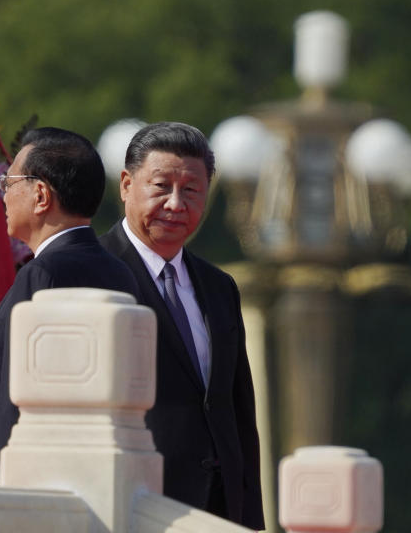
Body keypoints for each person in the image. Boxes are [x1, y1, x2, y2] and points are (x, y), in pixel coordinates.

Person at [99, 122, 264, 529]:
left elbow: (236, 409)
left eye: (191, 190)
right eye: (161, 186)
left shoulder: (219, 286)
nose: (176, 203)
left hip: (217, 510)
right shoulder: (92, 271)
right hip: (131, 503)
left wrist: (250, 516)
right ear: (125, 185)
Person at [0, 127, 141, 483]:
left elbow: (19, 400)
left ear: (40, 194)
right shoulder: (121, 273)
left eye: (8, 183)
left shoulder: (43, 273)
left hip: (17, 484)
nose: (4, 196)